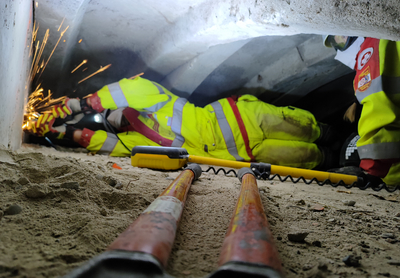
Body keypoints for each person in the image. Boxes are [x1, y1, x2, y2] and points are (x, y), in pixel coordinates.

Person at [27, 76, 339, 170]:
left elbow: (128, 89)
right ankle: (338, 158)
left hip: (244, 117)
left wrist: (76, 105)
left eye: (120, 113)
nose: (123, 120)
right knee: (307, 157)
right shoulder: (135, 142)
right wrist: (62, 131)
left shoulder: (155, 100)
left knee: (307, 128)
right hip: (247, 154)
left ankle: (337, 132)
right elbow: (99, 143)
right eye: (117, 122)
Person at [324, 35, 400, 185]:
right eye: (336, 42)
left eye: (342, 38)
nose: (339, 48)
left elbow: (379, 109)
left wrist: (371, 170)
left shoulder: (373, 46)